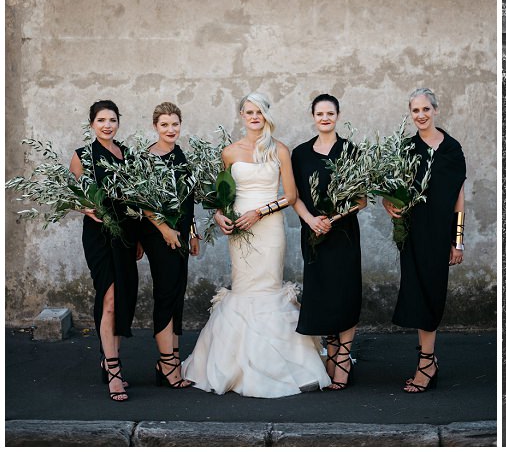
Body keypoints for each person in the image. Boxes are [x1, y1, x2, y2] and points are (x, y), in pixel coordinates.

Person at [182, 92, 331, 396]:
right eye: (248, 112)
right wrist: (222, 215)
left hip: (269, 227)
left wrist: (259, 212)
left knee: (267, 287)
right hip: (239, 231)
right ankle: (233, 364)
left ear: (266, 116)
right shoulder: (229, 152)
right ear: (241, 116)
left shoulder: (280, 150)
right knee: (244, 286)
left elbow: (290, 196)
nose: (253, 117)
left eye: (259, 112)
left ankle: (279, 365)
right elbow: (224, 195)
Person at [384, 88, 466, 392]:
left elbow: (459, 200)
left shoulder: (452, 150)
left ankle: (427, 363)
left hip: (439, 233)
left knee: (432, 295)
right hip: (412, 232)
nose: (420, 115)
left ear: (436, 110)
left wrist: (457, 242)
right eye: (415, 111)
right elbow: (391, 189)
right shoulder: (406, 148)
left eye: (425, 110)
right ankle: (426, 359)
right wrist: (388, 205)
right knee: (417, 293)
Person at [291, 93, 366, 390]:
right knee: (322, 294)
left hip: (343, 234)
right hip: (312, 234)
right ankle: (331, 352)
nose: (325, 118)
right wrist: (311, 220)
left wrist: (333, 219)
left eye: (330, 113)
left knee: (345, 292)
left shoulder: (350, 151)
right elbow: (293, 195)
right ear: (313, 117)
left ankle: (343, 359)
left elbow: (361, 199)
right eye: (320, 114)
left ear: (338, 116)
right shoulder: (300, 154)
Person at [69, 99, 139, 402]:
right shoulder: (82, 156)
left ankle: (108, 355)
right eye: (101, 121)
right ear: (92, 124)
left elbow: (136, 199)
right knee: (109, 295)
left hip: (124, 233)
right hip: (98, 235)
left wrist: (137, 239)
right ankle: (113, 369)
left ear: (118, 123)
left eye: (112, 120)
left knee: (122, 295)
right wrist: (85, 207)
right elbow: (71, 196)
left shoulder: (128, 155)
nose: (107, 125)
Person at [135, 102, 199, 390]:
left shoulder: (181, 156)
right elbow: (143, 204)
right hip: (158, 234)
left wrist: (193, 232)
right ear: (155, 127)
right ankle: (167, 364)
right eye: (164, 125)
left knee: (177, 293)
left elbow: (189, 199)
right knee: (165, 293)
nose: (170, 130)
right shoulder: (147, 159)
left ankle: (171, 360)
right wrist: (164, 230)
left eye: (175, 124)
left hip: (181, 233)